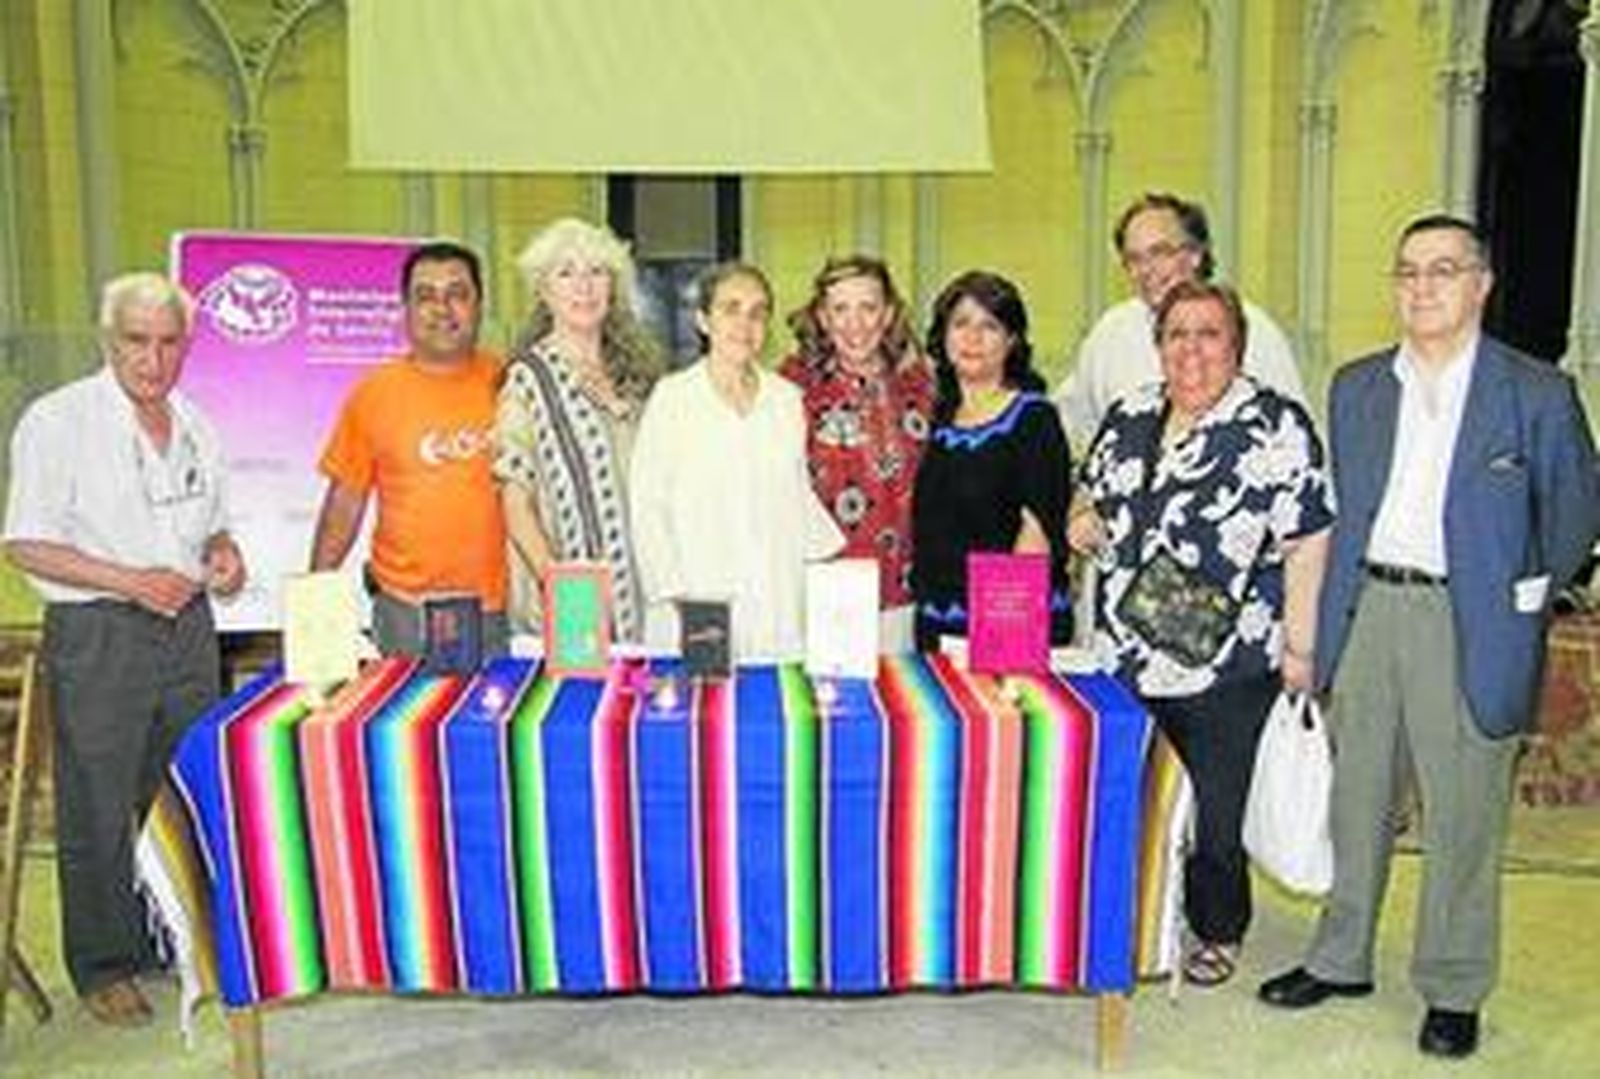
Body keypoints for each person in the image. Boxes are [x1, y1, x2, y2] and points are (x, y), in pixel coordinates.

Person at [1259, 215, 1600, 1058]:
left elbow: (1574, 512)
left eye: (1443, 270)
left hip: (1470, 617)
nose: (1422, 286)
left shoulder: (1535, 392)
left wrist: (1522, 592)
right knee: (1357, 796)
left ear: (1481, 284)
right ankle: (1340, 956)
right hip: (1369, 608)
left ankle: (1452, 984)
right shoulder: (1358, 386)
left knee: (1463, 815)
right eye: (1407, 271)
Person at [1071, 279, 1333, 988]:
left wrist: (1304, 648)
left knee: (1219, 807)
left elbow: (1310, 539)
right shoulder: (1129, 412)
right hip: (1126, 652)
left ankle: (1217, 927)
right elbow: (1089, 490)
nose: (1191, 349)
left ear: (1237, 345)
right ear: (1157, 345)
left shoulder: (1275, 425)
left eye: (1208, 332)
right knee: (1133, 790)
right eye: (1176, 333)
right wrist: (1081, 520)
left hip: (1230, 659)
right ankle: (1132, 914)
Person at [3, 272, 247, 1026]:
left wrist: (226, 555)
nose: (153, 358)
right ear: (109, 340)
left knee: (178, 792)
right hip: (101, 629)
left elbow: (214, 526)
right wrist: (128, 579)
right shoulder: (57, 420)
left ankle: (168, 940)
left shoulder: (200, 423)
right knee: (98, 803)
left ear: (187, 346)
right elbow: (24, 541)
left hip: (188, 629)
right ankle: (102, 964)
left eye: (169, 342)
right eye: (137, 341)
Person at [630, 262, 843, 659]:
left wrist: (836, 573)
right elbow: (647, 507)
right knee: (703, 715)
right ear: (703, 320)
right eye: (731, 309)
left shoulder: (786, 400)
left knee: (774, 711)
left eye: (758, 312)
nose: (745, 324)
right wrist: (680, 601)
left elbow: (797, 495)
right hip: (695, 604)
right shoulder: (672, 398)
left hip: (776, 599)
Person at [309, 240, 509, 656]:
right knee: (405, 719)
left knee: (493, 720)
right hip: (405, 611)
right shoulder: (374, 393)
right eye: (426, 297)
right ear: (406, 309)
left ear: (479, 304)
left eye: (457, 294)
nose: (442, 309)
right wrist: (315, 598)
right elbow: (345, 503)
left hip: (499, 611)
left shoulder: (513, 384)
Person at [495, 218, 662, 641]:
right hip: (570, 600)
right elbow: (515, 504)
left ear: (613, 286)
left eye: (596, 272)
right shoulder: (527, 379)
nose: (583, 286)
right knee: (574, 707)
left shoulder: (639, 377)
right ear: (544, 291)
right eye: (565, 273)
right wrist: (564, 594)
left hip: (644, 596)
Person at [1055, 192, 1305, 449]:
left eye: (1160, 253)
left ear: (1195, 254)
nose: (1147, 270)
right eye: (1134, 259)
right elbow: (1070, 420)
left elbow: (1293, 435)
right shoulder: (1110, 334)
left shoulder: (1253, 330)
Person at [910, 270, 1073, 651]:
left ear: (1012, 340)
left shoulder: (1033, 417)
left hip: (1006, 629)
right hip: (937, 625)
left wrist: (1004, 646)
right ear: (943, 336)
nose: (972, 338)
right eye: (961, 323)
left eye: (990, 326)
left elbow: (1036, 537)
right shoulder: (938, 418)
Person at [779, 255, 934, 650]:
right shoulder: (791, 387)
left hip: (903, 588)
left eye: (868, 308)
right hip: (825, 588)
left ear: (888, 314)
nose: (855, 324)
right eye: (840, 309)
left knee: (899, 702)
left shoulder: (922, 383)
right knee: (832, 707)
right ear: (823, 317)